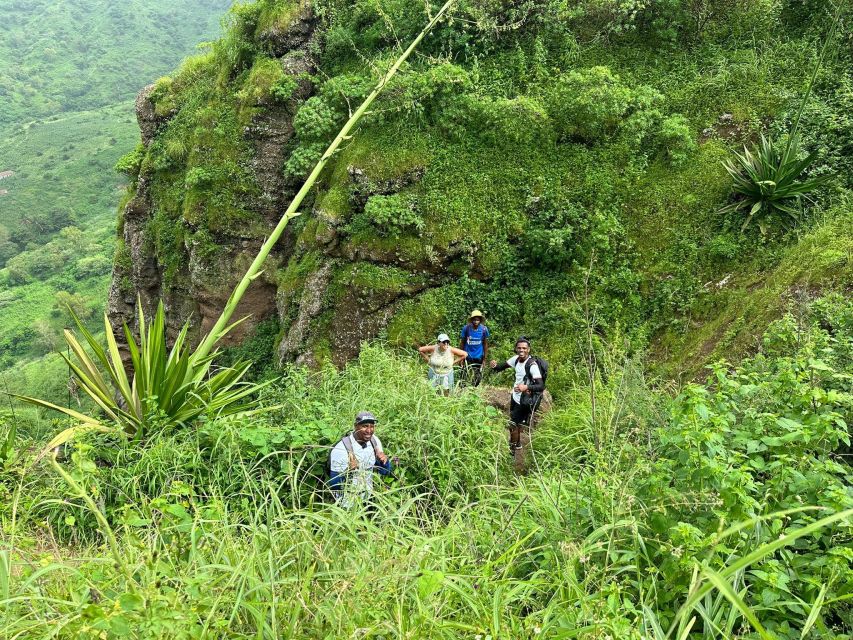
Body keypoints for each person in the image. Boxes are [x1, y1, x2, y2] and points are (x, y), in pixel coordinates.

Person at [328, 411, 393, 508]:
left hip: (368, 498)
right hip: (346, 503)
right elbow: (334, 486)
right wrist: (349, 471)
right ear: (355, 426)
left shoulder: (374, 441)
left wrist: (385, 462)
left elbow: (385, 472)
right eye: (365, 426)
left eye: (372, 426)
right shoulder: (341, 449)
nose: (369, 430)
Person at [490, 336, 544, 453]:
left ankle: (512, 450)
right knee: (516, 421)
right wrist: (495, 366)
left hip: (525, 400)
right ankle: (518, 443)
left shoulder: (532, 365)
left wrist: (527, 387)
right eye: (519, 348)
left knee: (512, 424)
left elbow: (540, 385)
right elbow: (501, 367)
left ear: (528, 349)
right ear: (516, 349)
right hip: (515, 396)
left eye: (524, 348)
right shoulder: (515, 359)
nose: (521, 350)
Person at [459, 310, 490, 387]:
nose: (476, 321)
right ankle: (462, 391)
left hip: (478, 356)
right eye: (474, 319)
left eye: (478, 320)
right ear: (472, 320)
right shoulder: (466, 328)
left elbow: (485, 344)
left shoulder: (484, 329)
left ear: (480, 320)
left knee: (477, 377)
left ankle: (473, 389)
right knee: (463, 376)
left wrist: (484, 359)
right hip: (467, 355)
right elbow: (462, 342)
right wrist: (461, 357)